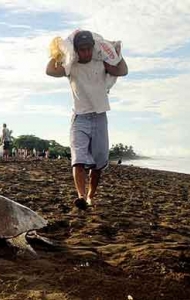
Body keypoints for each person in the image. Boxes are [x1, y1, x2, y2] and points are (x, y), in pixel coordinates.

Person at [46, 30, 128, 210]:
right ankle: (81, 196)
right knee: (78, 159)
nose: (85, 53)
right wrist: (60, 52)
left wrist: (116, 53)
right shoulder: (71, 65)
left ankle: (90, 196)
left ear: (93, 47)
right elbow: (50, 70)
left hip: (99, 117)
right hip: (80, 117)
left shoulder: (101, 62)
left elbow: (122, 70)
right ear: (75, 50)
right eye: (81, 50)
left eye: (88, 49)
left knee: (98, 163)